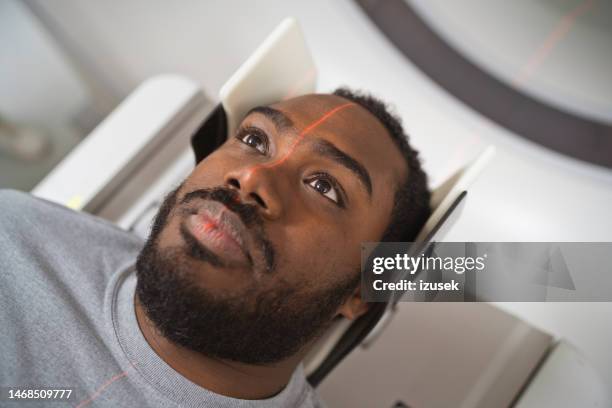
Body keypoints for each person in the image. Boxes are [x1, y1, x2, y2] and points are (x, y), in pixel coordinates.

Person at [0, 88, 430, 407]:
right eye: (255, 140)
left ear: (359, 291)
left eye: (324, 187)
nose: (252, 177)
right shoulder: (11, 236)